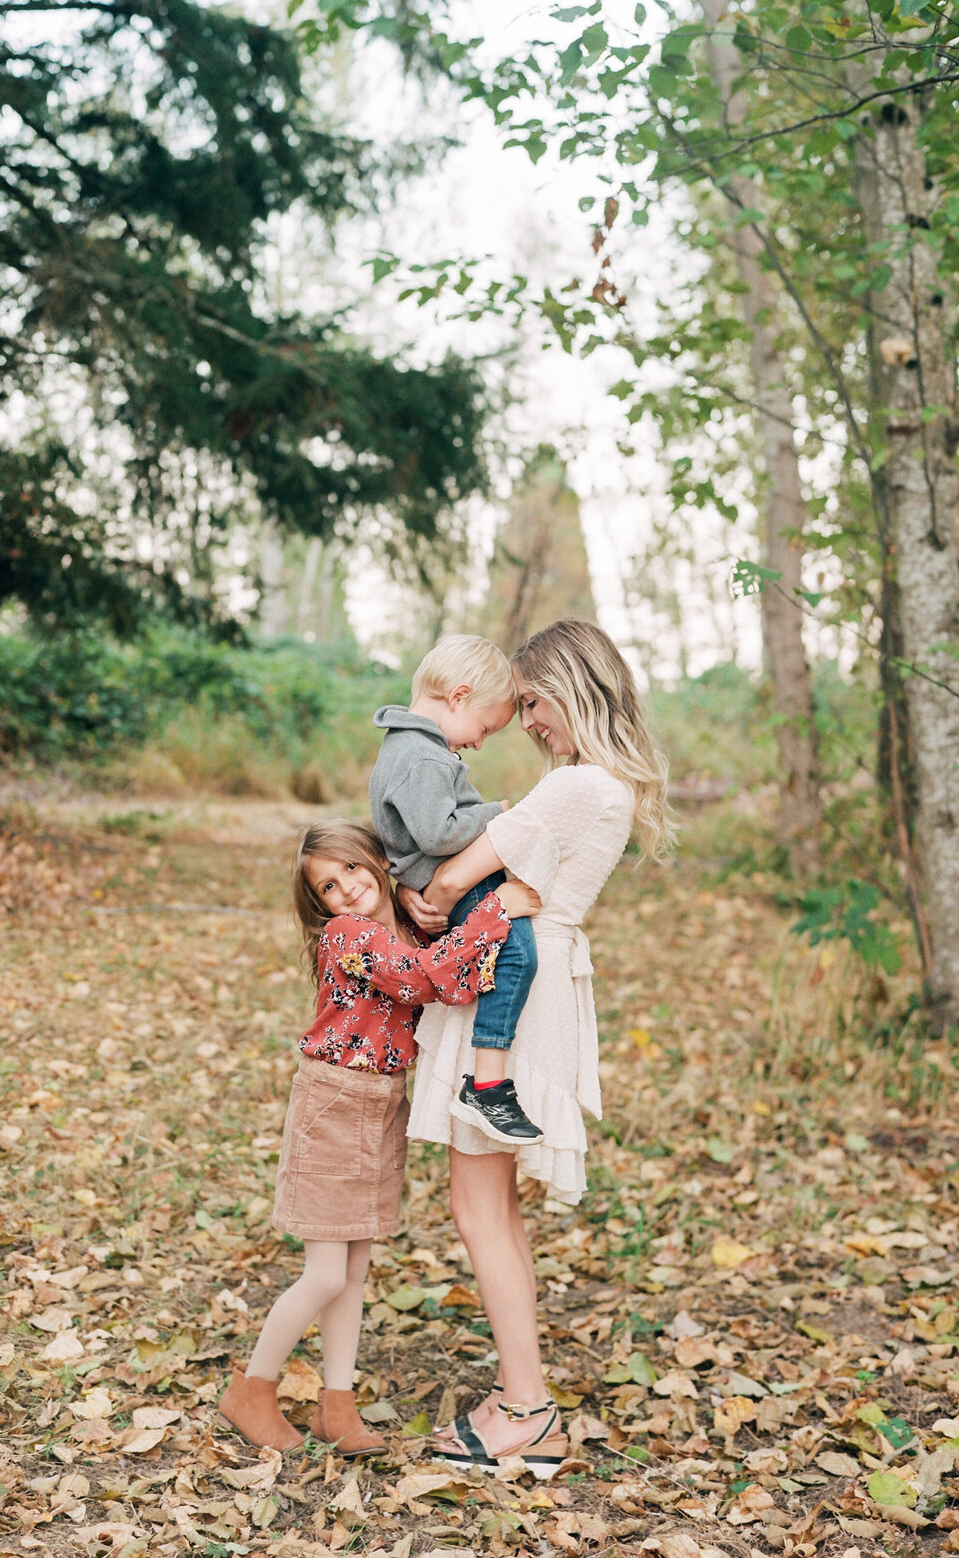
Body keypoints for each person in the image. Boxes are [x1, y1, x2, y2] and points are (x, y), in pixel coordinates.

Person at [408, 619, 672, 1476]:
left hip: (507, 995)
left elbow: (451, 876)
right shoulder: (609, 785)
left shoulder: (571, 788)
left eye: (531, 701)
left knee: (477, 1206)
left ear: (571, 687)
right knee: (496, 1204)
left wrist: (435, 895)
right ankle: (528, 1401)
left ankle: (526, 1408)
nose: (525, 720)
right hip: (538, 985)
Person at [218, 818, 540, 1457]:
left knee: (355, 1270)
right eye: (328, 887)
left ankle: (337, 1407)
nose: (346, 890)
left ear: (379, 862)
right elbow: (429, 981)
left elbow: (450, 966)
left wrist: (452, 911)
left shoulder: (408, 930)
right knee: (325, 1273)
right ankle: (252, 1389)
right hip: (334, 1102)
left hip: (381, 1103)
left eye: (354, 870)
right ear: (321, 905)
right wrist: (497, 907)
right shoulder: (347, 936)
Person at [369, 634, 544, 1147]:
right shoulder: (423, 758)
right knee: (515, 957)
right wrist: (501, 813)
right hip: (459, 882)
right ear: (459, 697)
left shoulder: (408, 747)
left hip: (447, 879)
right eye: (485, 727)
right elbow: (439, 834)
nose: (479, 742)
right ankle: (487, 1084)